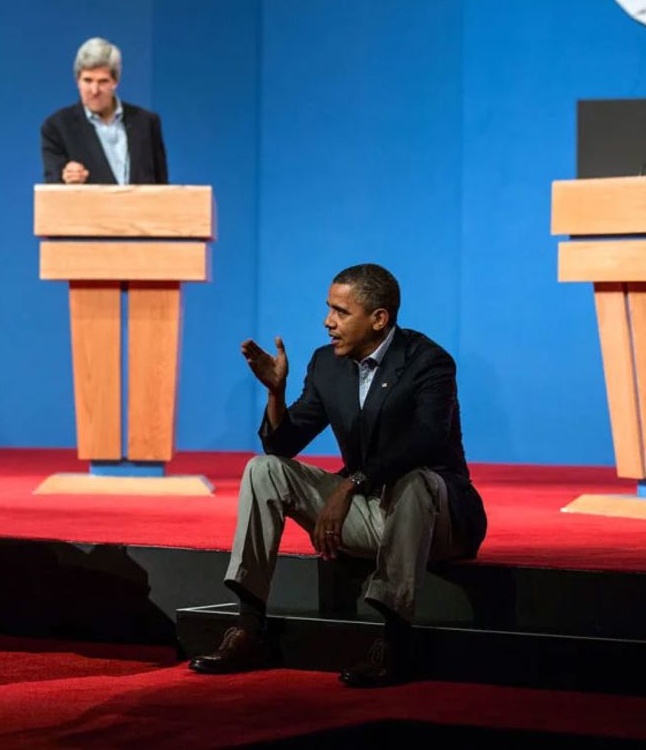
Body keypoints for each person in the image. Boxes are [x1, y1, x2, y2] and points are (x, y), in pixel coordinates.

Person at [188, 264, 487, 686]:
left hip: (439, 520)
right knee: (263, 470)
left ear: (379, 319)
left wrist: (352, 484)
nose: (328, 321)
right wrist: (276, 392)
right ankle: (251, 628)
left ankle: (397, 641)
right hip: (372, 514)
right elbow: (282, 447)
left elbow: (427, 441)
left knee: (415, 480)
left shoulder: (428, 362)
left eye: (341, 312)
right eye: (329, 309)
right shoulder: (327, 364)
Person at [40, 37, 168, 185]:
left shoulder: (146, 123)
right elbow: (52, 192)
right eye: (87, 80)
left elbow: (162, 187)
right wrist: (66, 180)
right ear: (77, 82)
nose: (94, 90)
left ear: (115, 82)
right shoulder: (57, 128)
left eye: (103, 81)